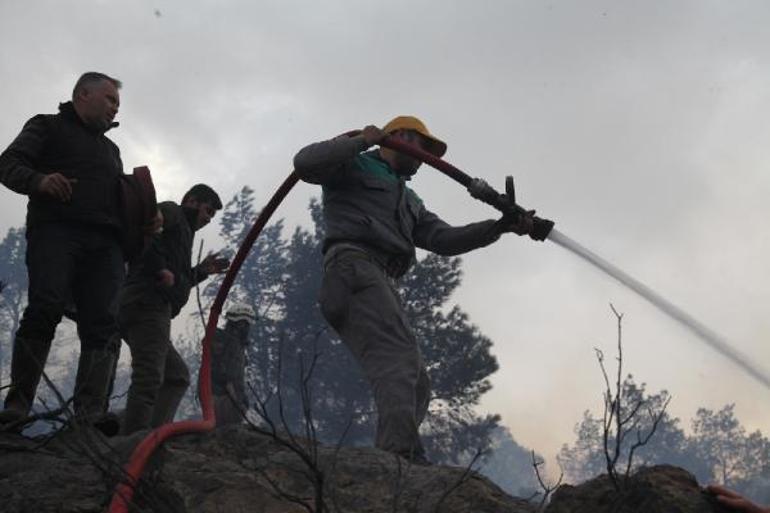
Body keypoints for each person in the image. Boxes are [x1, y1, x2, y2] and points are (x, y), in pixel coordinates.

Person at [293, 115, 553, 464]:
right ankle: (397, 459)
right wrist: (361, 140)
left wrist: (500, 226)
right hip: (353, 267)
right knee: (398, 361)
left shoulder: (410, 199)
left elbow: (444, 240)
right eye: (422, 146)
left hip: (378, 278)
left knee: (417, 382)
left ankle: (400, 455)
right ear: (398, 137)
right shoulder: (353, 165)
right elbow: (304, 164)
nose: (424, 157)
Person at [0, 72, 127, 429]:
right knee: (45, 308)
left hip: (106, 245)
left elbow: (121, 201)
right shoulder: (47, 126)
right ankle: (18, 406)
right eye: (110, 99)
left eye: (117, 104)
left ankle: (88, 416)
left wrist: (144, 220)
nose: (115, 109)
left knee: (103, 324)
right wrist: (38, 180)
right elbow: (7, 164)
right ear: (83, 94)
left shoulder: (111, 150)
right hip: (56, 231)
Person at [119, 184, 229, 434]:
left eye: (212, 216)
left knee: (176, 375)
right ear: (191, 201)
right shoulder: (173, 212)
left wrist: (200, 272)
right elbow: (150, 231)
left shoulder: (184, 233)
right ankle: (134, 439)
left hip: (152, 306)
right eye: (208, 210)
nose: (208, 219)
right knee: (149, 375)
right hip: (146, 303)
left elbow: (175, 279)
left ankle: (146, 433)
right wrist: (159, 268)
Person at [211, 302, 256, 426]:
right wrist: (237, 400)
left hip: (227, 397)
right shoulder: (226, 343)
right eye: (242, 323)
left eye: (247, 324)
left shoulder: (237, 346)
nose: (245, 328)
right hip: (220, 396)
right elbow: (229, 377)